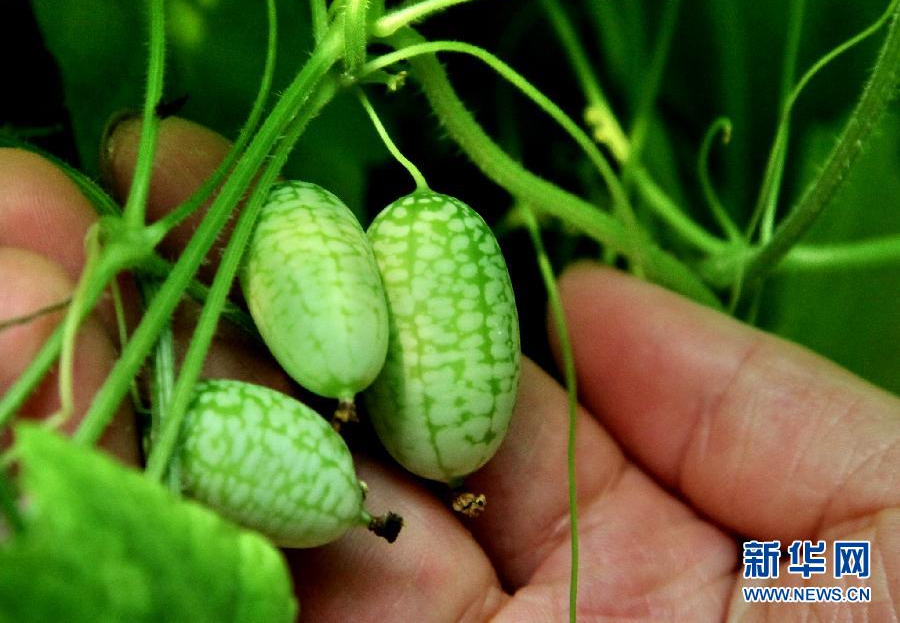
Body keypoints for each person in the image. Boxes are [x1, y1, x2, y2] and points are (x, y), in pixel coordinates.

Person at [1, 117, 897, 620]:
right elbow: (824, 575)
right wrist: (789, 581)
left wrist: (773, 585)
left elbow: (821, 577)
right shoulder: (834, 577)